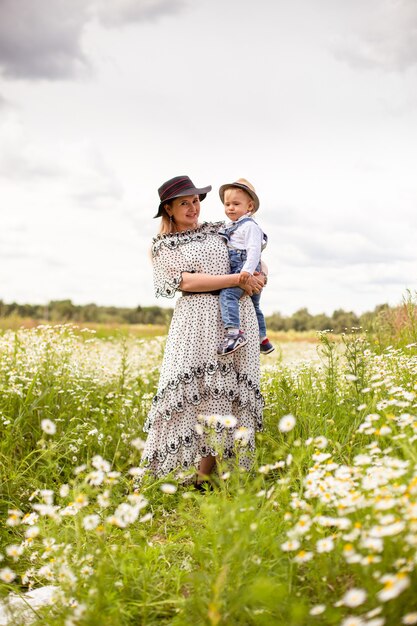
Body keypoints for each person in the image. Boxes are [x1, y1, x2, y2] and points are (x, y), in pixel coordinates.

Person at [142, 175, 264, 484]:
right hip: (195, 319)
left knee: (224, 393)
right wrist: (235, 280)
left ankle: (203, 476)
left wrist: (260, 277)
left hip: (236, 316)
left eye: (196, 200)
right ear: (168, 209)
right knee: (187, 389)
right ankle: (162, 475)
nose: (193, 207)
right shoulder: (163, 246)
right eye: (184, 203)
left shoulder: (219, 230)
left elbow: (252, 254)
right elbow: (186, 282)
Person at [217, 179, 274, 356]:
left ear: (249, 207)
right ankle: (262, 339)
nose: (230, 208)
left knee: (227, 295)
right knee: (255, 306)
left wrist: (247, 272)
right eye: (227, 204)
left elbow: (254, 251)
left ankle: (234, 333)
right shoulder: (231, 226)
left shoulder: (249, 226)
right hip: (247, 270)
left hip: (245, 270)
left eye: (236, 204)